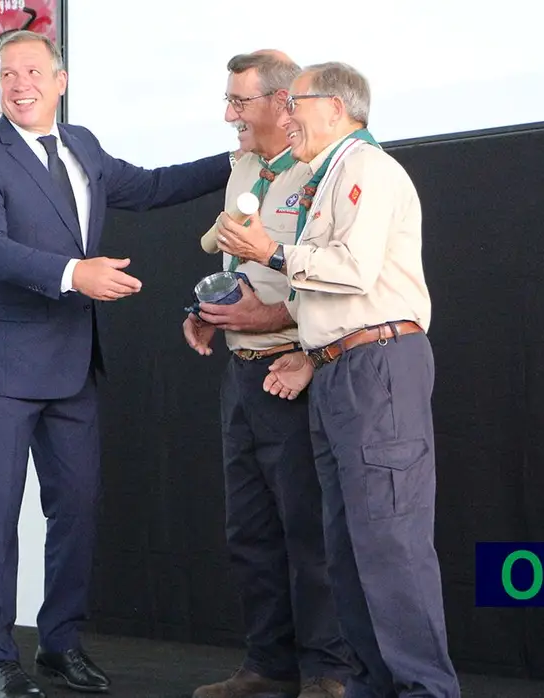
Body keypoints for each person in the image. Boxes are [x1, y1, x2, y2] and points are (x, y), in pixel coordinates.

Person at [0, 30, 235, 698]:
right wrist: (77, 273)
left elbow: (156, 186)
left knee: (76, 509)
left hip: (72, 365)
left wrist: (239, 157)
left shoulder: (82, 147)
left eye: (32, 71)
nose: (19, 83)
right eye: (7, 74)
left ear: (60, 81)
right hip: (2, 368)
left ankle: (60, 643)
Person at [214, 61, 461, 698]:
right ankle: (374, 686)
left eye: (294, 103)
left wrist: (269, 251)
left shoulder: (366, 170)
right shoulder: (328, 175)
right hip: (339, 370)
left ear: (336, 107)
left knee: (390, 544)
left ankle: (425, 691)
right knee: (349, 548)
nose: (285, 115)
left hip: (377, 368)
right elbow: (323, 294)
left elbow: (352, 271)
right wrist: (310, 351)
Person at [183, 50, 355, 698]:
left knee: (307, 532)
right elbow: (232, 262)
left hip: (293, 370)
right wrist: (207, 313)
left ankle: (327, 671)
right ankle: (267, 666)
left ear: (285, 104)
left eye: (239, 102)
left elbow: (345, 276)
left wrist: (283, 327)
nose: (229, 114)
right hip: (241, 374)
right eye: (229, 100)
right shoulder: (244, 169)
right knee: (249, 532)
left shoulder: (324, 173)